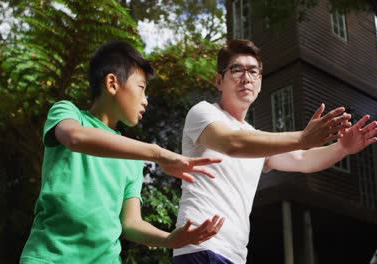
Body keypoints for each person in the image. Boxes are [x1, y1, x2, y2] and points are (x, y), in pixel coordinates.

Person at [172, 39, 377, 264]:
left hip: (235, 255)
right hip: (199, 247)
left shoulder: (257, 139)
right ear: (219, 81)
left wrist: (342, 148)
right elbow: (232, 143)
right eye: (237, 70)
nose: (246, 77)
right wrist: (302, 138)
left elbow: (302, 159)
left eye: (253, 71)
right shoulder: (203, 113)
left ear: (260, 82)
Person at [20, 40, 225, 264]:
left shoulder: (133, 158)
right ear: (112, 83)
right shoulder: (68, 113)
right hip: (49, 257)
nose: (146, 100)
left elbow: (130, 223)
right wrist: (157, 153)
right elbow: (75, 137)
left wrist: (169, 240)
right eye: (141, 88)